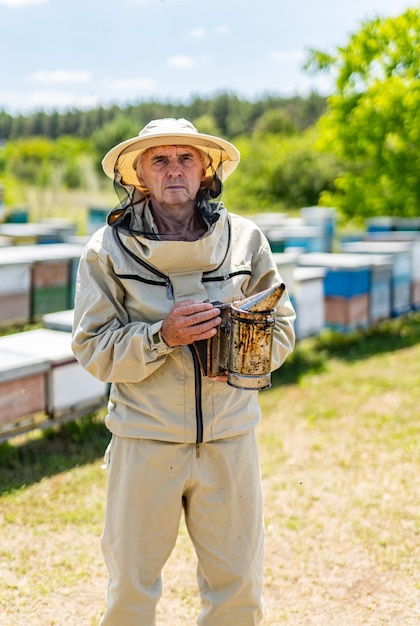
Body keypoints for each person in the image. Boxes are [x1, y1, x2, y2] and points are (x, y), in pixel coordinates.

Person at [71, 118, 295, 625]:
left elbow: (281, 328)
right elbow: (92, 347)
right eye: (160, 160)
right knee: (131, 589)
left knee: (238, 590)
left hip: (230, 439)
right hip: (145, 440)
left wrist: (239, 354)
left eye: (186, 158)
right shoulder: (105, 250)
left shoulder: (246, 239)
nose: (174, 170)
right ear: (139, 176)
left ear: (206, 169)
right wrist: (161, 337)